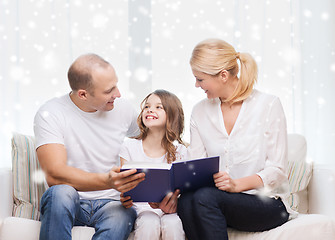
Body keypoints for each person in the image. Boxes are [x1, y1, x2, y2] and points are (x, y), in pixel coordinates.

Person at [177, 39, 296, 240]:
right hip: (220, 200)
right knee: (186, 200)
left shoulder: (268, 105)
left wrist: (236, 185)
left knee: (204, 198)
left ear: (223, 75)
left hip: (267, 203)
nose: (196, 85)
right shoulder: (200, 111)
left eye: (200, 79)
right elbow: (196, 167)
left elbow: (278, 169)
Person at [34, 53, 145, 240]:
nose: (118, 94)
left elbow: (151, 143)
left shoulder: (124, 109)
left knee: (122, 214)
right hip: (72, 201)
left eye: (116, 85)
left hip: (113, 203)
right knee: (60, 192)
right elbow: (54, 174)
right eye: (109, 90)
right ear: (83, 94)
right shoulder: (51, 113)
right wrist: (108, 181)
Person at [120, 89, 187, 240]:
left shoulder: (181, 151)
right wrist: (123, 197)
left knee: (173, 223)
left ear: (172, 114)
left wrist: (175, 202)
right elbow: (124, 186)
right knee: (149, 221)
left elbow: (185, 190)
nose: (150, 109)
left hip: (171, 211)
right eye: (147, 106)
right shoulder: (129, 147)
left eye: (159, 107)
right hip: (141, 210)